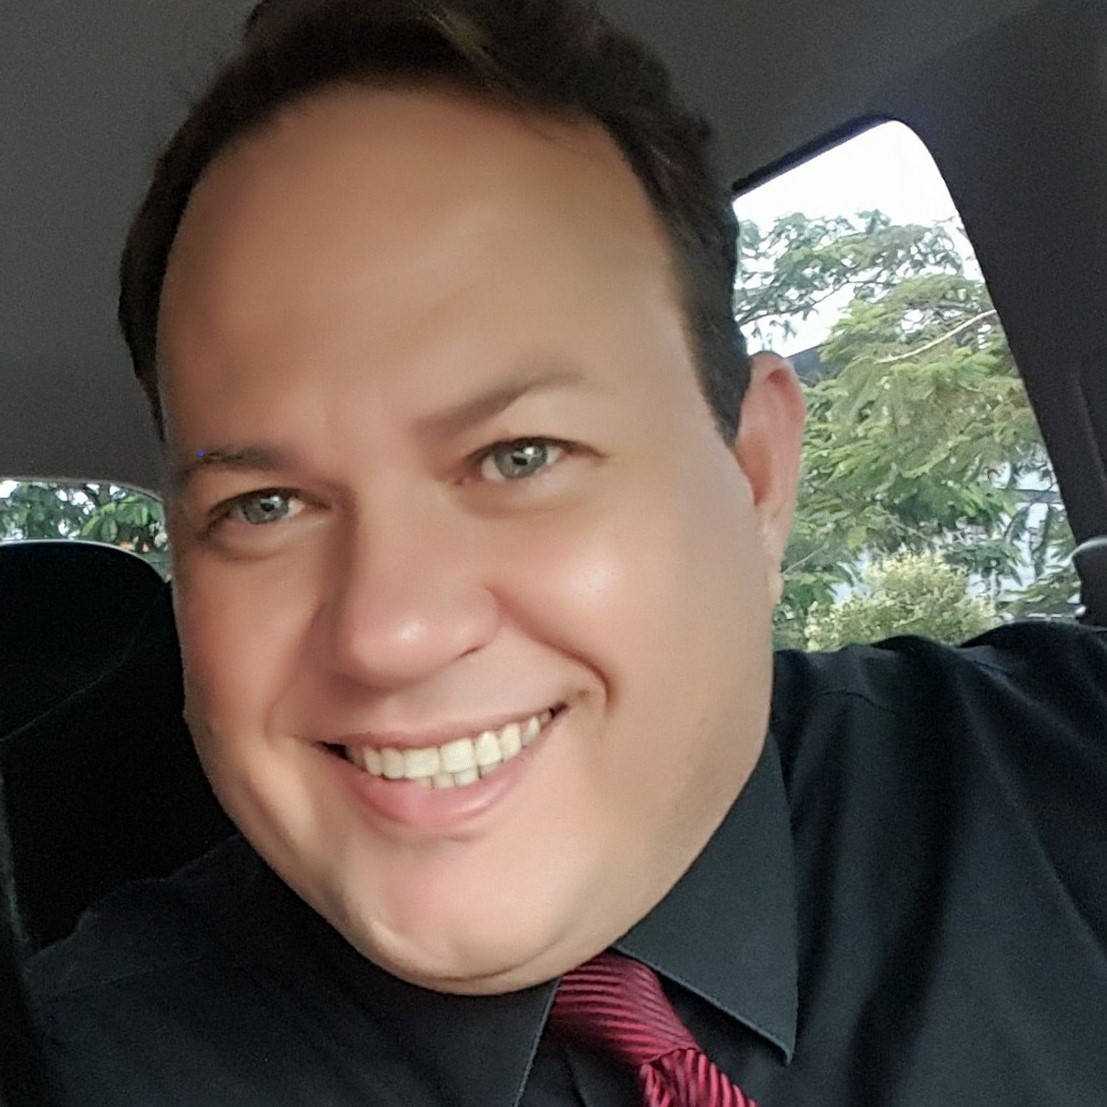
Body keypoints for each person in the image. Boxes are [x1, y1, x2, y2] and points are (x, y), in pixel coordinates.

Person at [21, 0, 1107, 1103]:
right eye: (264, 506)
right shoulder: (75, 1067)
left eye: (519, 456)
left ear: (754, 477)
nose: (390, 632)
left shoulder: (1062, 776)